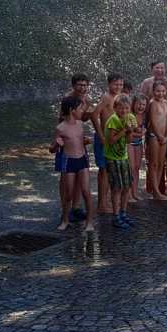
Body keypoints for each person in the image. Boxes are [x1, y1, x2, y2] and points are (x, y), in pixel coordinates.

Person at [53, 96, 96, 232]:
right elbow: (52, 149)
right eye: (80, 108)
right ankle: (65, 220)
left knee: (86, 192)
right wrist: (56, 145)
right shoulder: (61, 128)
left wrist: (86, 141)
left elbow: (79, 141)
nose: (82, 111)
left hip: (82, 159)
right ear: (72, 110)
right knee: (69, 194)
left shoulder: (79, 124)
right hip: (69, 161)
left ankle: (89, 222)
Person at [55, 74, 91, 221]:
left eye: (85, 85)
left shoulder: (86, 99)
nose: (82, 88)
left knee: (79, 176)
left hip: (79, 142)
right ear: (73, 85)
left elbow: (84, 118)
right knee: (66, 178)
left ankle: (76, 207)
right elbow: (62, 119)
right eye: (79, 85)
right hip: (66, 142)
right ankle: (65, 209)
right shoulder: (67, 99)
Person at [91, 73, 124, 213]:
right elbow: (94, 115)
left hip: (114, 139)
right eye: (116, 84)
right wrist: (100, 135)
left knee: (111, 170)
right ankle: (101, 205)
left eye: (121, 84)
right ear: (109, 84)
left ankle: (107, 202)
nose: (118, 87)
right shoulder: (106, 97)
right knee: (104, 171)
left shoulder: (119, 98)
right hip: (104, 139)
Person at [104, 94, 135, 229]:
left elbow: (129, 141)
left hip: (123, 157)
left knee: (126, 186)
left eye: (126, 108)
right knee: (116, 188)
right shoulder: (113, 120)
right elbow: (111, 140)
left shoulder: (128, 118)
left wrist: (130, 131)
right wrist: (124, 130)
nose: (124, 111)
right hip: (112, 158)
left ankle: (123, 213)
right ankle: (115, 216)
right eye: (121, 108)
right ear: (115, 108)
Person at [146, 81, 167, 201]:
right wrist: (159, 136)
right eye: (158, 91)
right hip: (154, 136)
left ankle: (156, 190)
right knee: (154, 163)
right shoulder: (152, 103)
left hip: (164, 136)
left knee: (161, 163)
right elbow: (152, 121)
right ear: (153, 92)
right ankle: (156, 192)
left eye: (163, 91)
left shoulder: (166, 103)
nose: (161, 93)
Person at [128, 94, 147, 202]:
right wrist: (140, 134)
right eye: (139, 104)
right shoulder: (129, 115)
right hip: (129, 143)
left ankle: (135, 192)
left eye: (143, 104)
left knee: (137, 168)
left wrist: (143, 132)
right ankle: (129, 194)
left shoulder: (143, 116)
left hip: (138, 143)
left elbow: (144, 129)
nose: (141, 107)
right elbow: (127, 132)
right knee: (131, 167)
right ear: (133, 104)